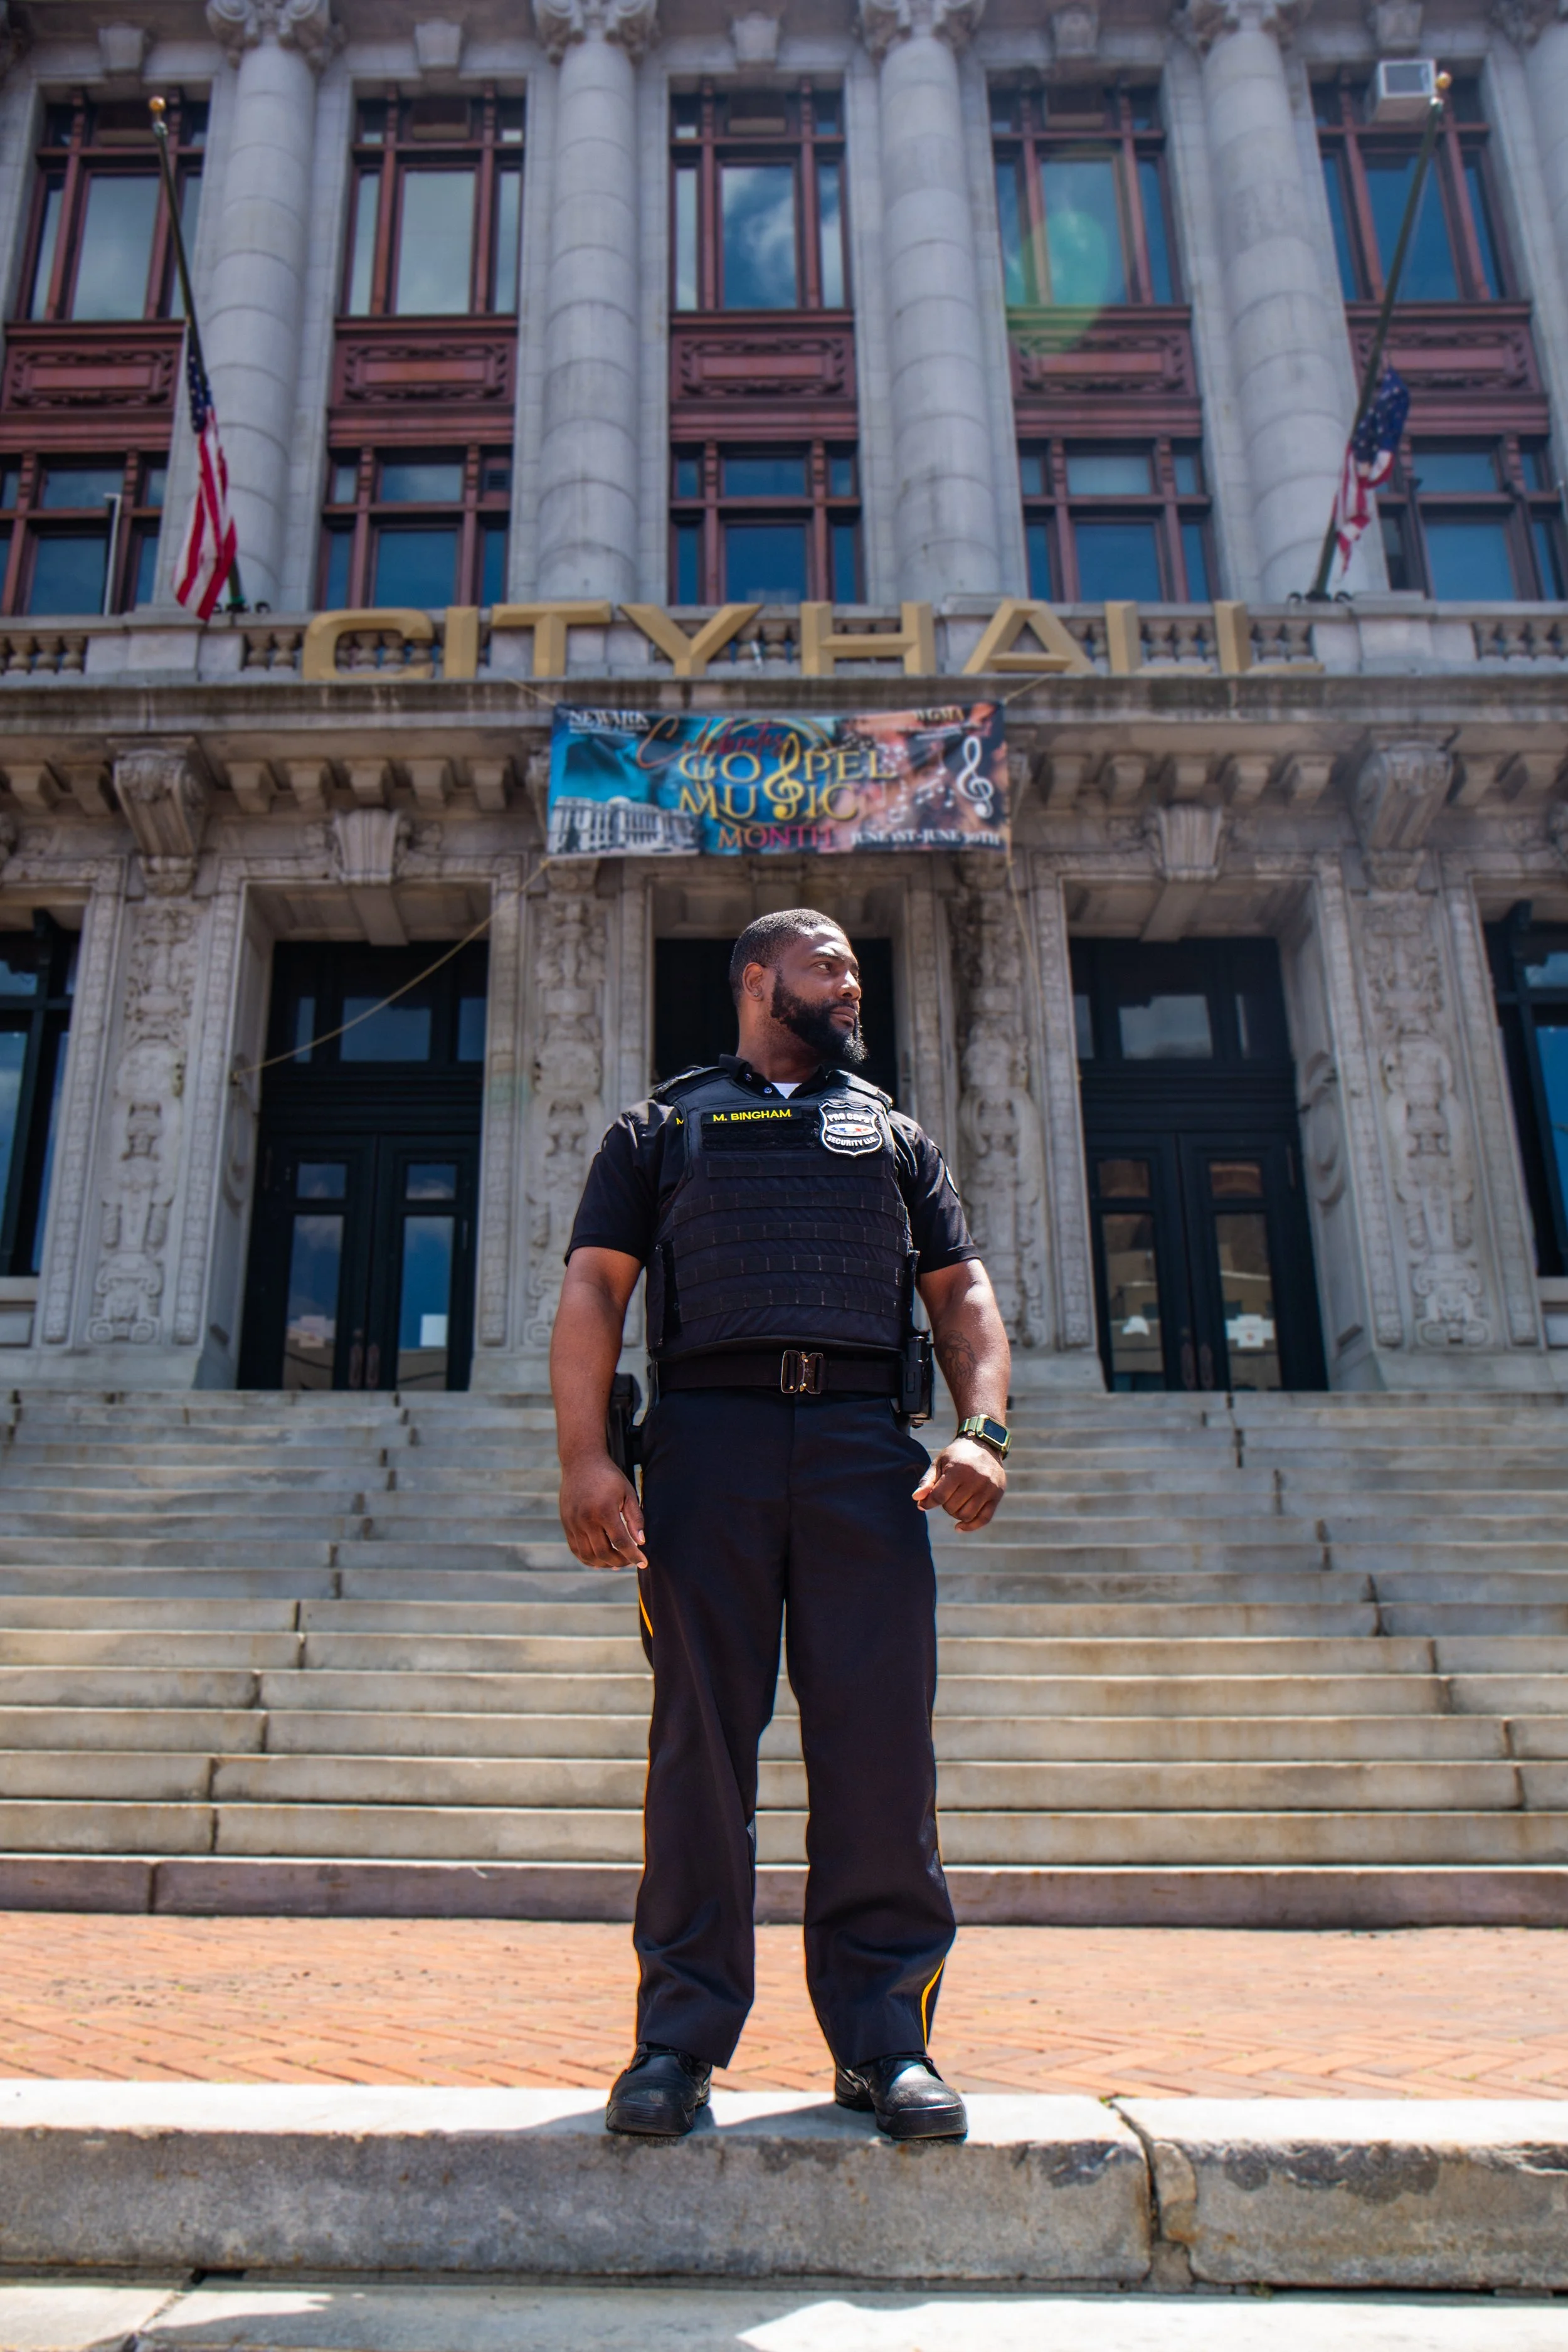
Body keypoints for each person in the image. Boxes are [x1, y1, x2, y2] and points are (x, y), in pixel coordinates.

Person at [549, 908, 1012, 2142]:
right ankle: (675, 2046)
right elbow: (595, 1287)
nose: (850, 982)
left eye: (857, 964)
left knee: (878, 1750)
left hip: (867, 1450)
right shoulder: (661, 1128)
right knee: (698, 1753)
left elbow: (961, 1289)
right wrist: (587, 1457)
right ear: (757, 978)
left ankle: (884, 2043)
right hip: (709, 1449)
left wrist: (982, 1429)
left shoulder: (897, 1137)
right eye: (826, 964)